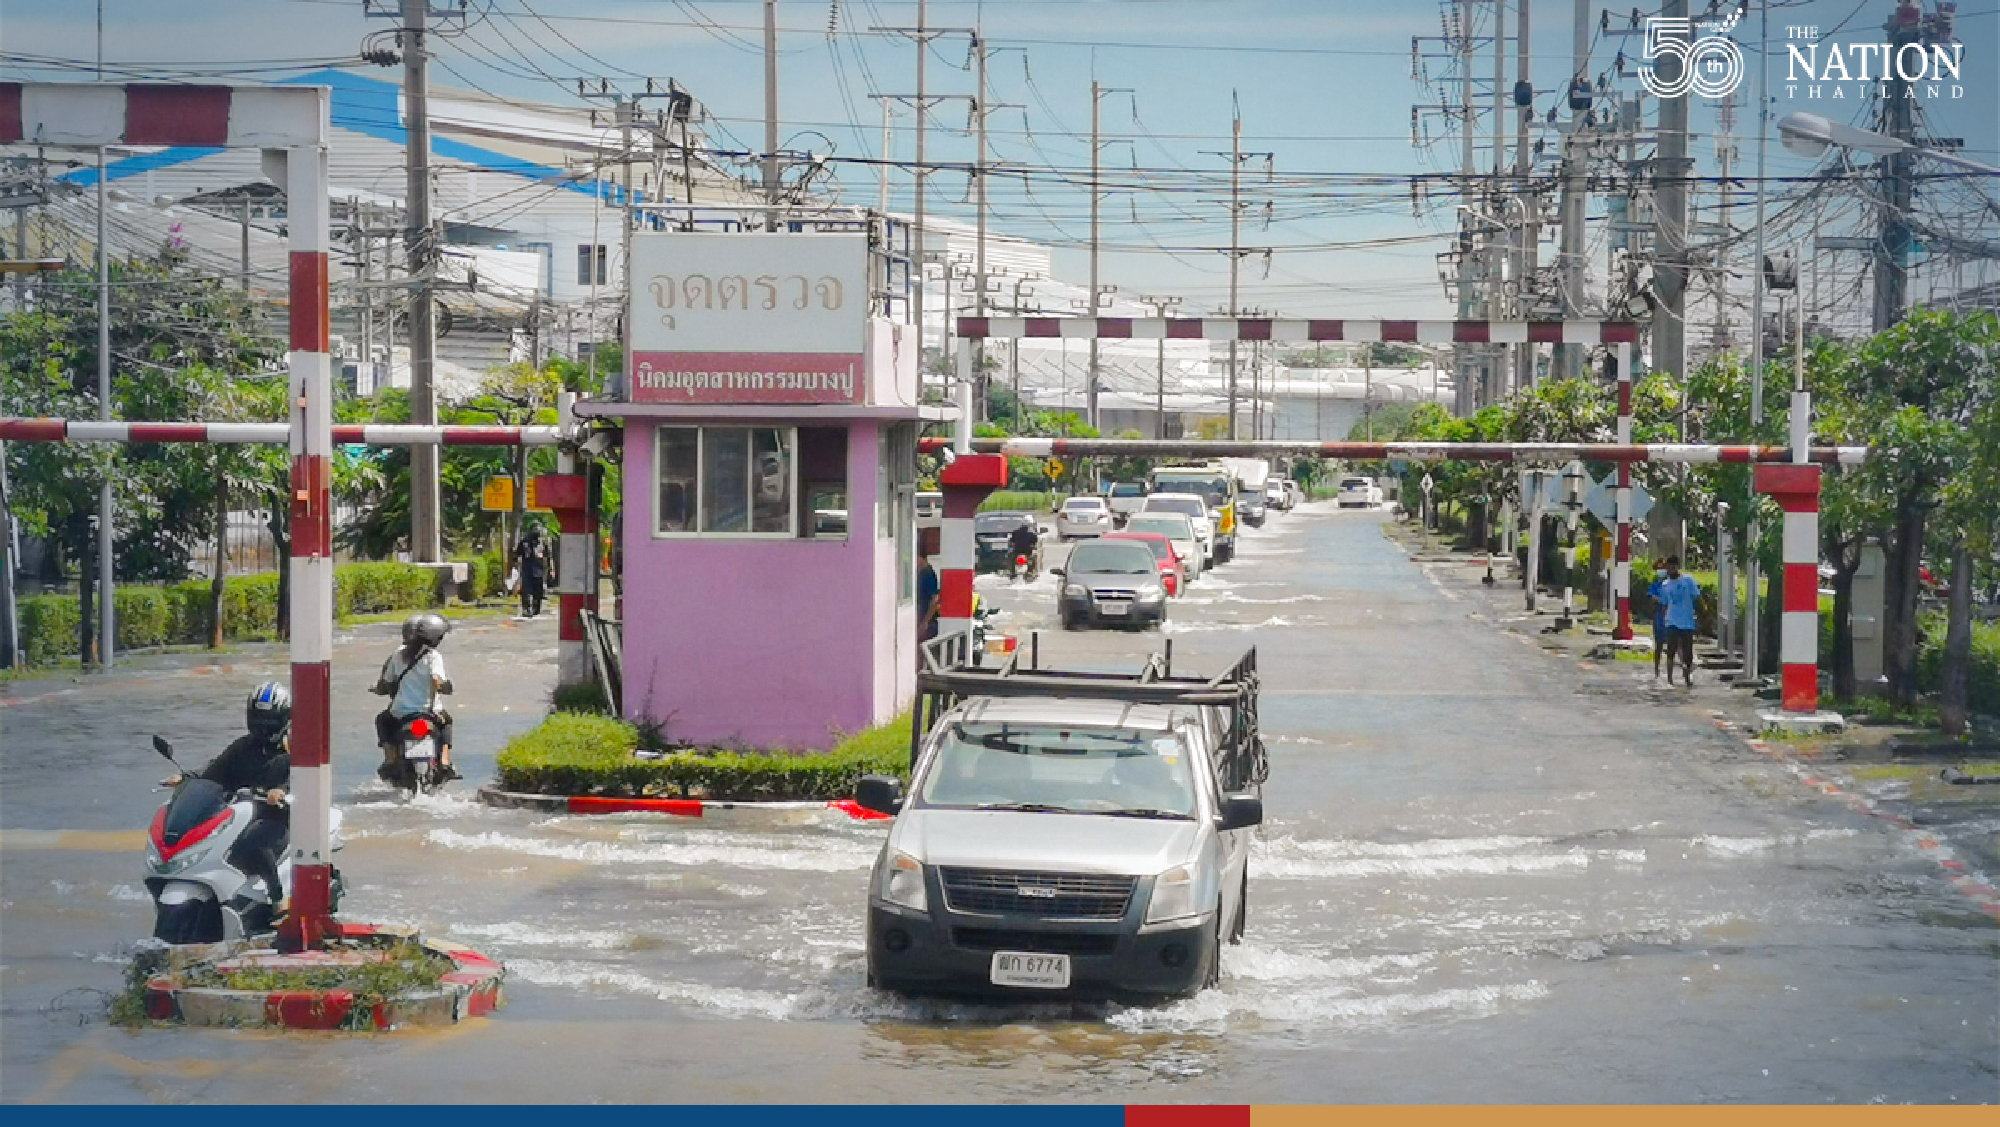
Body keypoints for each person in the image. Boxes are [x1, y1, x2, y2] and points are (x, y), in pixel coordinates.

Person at [164, 682, 292, 908]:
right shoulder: (243, 747)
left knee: (252, 841)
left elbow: (302, 779)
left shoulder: (295, 750)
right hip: (238, 815)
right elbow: (214, 769)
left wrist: (281, 791)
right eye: (258, 720)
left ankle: (278, 898)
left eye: (269, 721)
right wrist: (186, 778)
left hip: (279, 819)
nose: (263, 727)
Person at [374, 612, 457, 783]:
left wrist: (378, 689)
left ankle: (390, 758)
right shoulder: (433, 656)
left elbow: (387, 681)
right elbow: (437, 680)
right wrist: (444, 687)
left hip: (400, 713)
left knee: (382, 720)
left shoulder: (398, 654)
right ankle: (445, 761)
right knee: (446, 722)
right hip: (428, 713)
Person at [1657, 555, 1700, 686]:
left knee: (1688, 653)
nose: (1671, 570)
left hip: (1687, 622)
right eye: (1669, 568)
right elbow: (1664, 604)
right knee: (1670, 651)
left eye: (1673, 567)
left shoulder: (1688, 581)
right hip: (1671, 622)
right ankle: (1670, 680)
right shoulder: (1665, 585)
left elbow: (1697, 598)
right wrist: (1663, 621)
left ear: (1677, 567)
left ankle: (1688, 677)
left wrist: (1699, 617)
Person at [513, 523, 549, 618]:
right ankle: (526, 608)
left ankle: (536, 609)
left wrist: (550, 570)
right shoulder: (524, 542)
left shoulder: (542, 543)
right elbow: (516, 555)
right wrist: (515, 568)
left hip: (539, 571)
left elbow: (548, 556)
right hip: (527, 570)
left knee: (538, 592)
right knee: (526, 590)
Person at [1648, 561, 1668, 681]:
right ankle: (1657, 670)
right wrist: (1661, 600)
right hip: (1660, 617)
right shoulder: (1656, 585)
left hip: (1672, 616)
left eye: (1663, 568)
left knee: (1677, 645)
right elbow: (1651, 597)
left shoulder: (1673, 583)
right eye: (1658, 569)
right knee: (1659, 645)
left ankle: (1684, 669)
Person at [916, 550, 941, 644]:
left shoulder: (928, 575)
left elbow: (934, 600)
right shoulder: (921, 573)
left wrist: (926, 621)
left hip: (927, 620)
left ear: (922, 558)